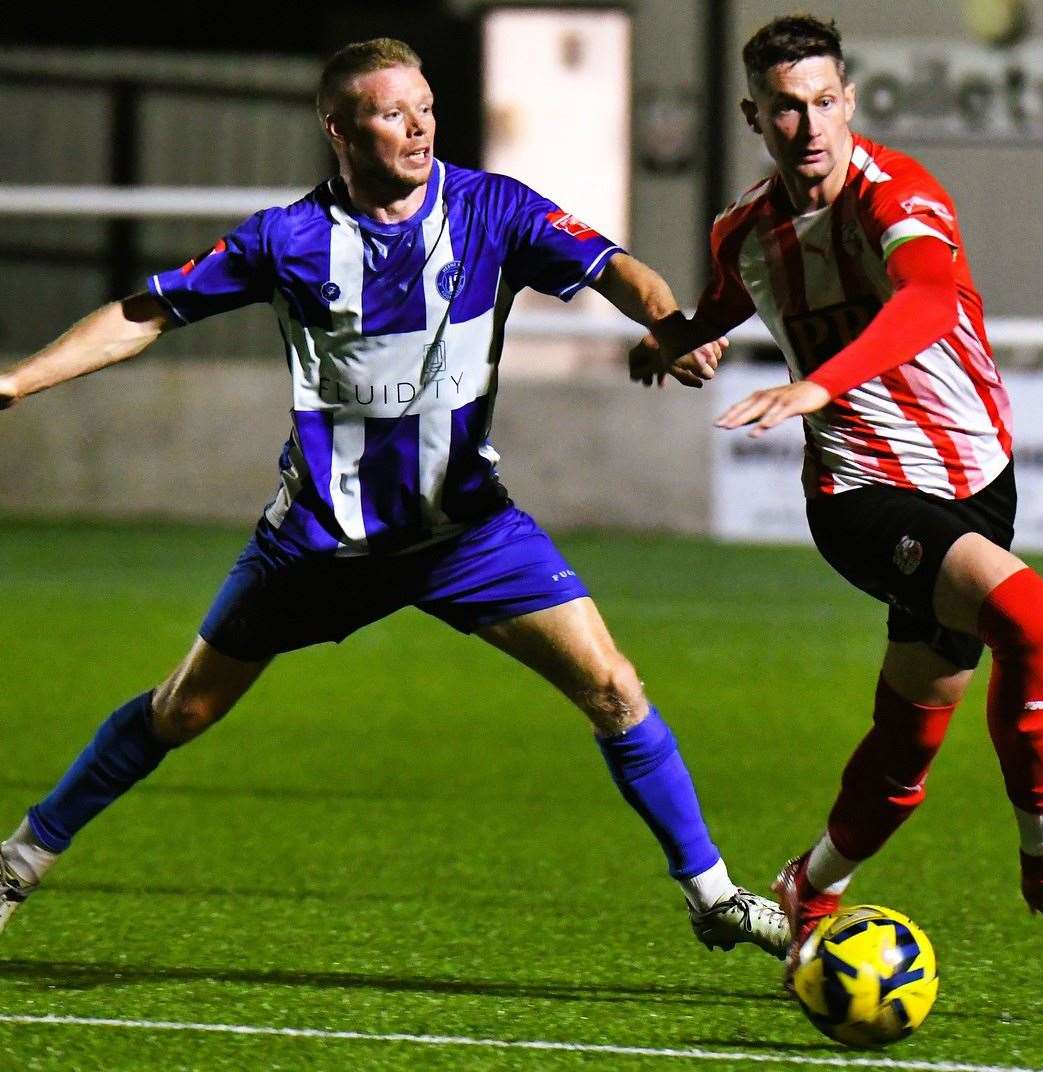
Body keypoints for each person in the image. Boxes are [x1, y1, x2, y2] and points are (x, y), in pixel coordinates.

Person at [0, 38, 788, 960]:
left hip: (466, 532)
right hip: (322, 542)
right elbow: (145, 312)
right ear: (339, 129)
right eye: (390, 113)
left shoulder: (492, 209)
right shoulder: (287, 240)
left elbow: (620, 269)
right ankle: (17, 861)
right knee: (183, 711)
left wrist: (669, 324)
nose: (417, 129)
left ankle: (713, 895)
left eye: (424, 108)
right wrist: (19, 381)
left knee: (613, 687)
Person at [631, 14, 1043, 978]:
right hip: (858, 489)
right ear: (755, 116)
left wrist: (818, 379)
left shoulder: (900, 194)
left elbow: (926, 299)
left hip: (977, 478)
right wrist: (674, 338)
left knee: (912, 734)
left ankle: (808, 885)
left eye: (825, 101)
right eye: (786, 107)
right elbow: (730, 301)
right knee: (1027, 615)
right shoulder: (743, 230)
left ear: (850, 101)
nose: (810, 125)